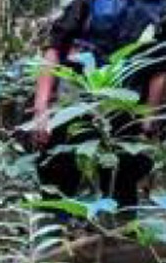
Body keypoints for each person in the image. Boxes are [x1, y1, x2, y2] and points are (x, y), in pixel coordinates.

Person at [34, 0, 166, 207]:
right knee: (58, 172)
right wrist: (41, 108)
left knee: (122, 181)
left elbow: (159, 66)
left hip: (125, 104)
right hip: (75, 96)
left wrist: (149, 119)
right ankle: (55, 222)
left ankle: (117, 223)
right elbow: (55, 47)